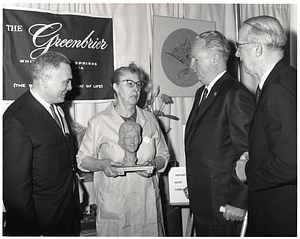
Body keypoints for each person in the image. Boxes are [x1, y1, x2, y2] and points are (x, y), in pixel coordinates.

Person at [76, 63, 170, 236]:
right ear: (115, 86)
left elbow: (164, 155)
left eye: (138, 84)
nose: (136, 89)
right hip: (115, 205)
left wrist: (154, 164)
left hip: (146, 203)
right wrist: (102, 164)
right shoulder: (99, 122)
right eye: (129, 83)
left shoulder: (150, 120)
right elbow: (82, 160)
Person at [184, 30, 255, 236]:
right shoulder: (201, 93)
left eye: (196, 59)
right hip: (204, 204)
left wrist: (238, 200)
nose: (191, 65)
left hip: (225, 209)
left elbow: (248, 152)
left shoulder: (235, 94)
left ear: (215, 58)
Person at [3, 51, 81, 236]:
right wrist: (33, 232)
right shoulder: (17, 119)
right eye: (66, 81)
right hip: (41, 224)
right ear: (45, 80)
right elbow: (15, 191)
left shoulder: (57, 108)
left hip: (66, 215)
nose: (70, 87)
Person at [235, 15, 296, 236]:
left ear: (258, 48)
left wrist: (247, 170)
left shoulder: (278, 89)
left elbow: (291, 164)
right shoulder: (285, 79)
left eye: (240, 46)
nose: (237, 53)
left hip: (280, 221)